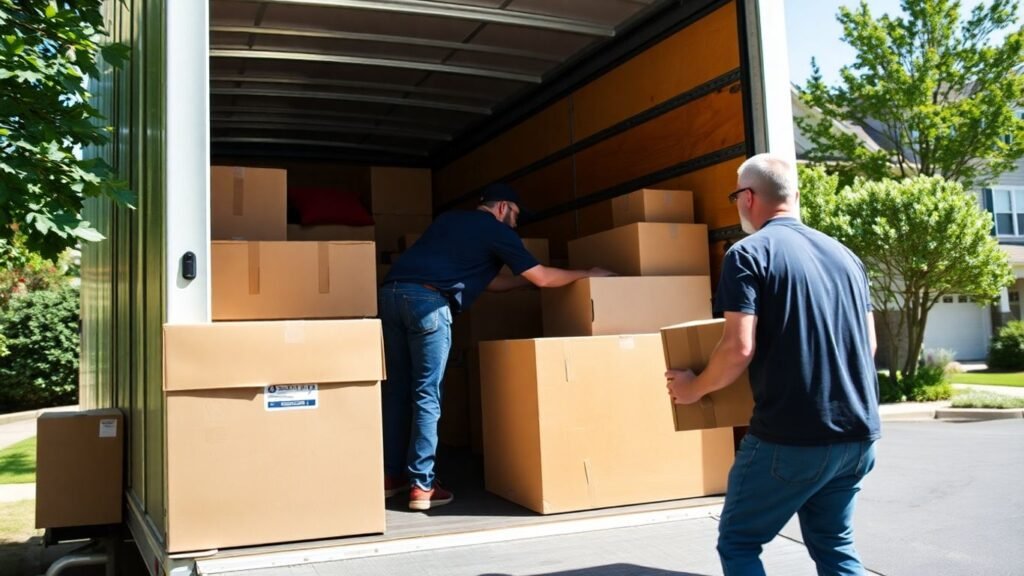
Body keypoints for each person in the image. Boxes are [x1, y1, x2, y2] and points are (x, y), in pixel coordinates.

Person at [666, 153, 880, 575]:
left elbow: (738, 348)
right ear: (795, 196)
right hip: (859, 435)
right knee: (835, 547)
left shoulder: (748, 254)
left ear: (747, 198)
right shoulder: (846, 256)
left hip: (792, 438)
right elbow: (869, 345)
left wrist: (693, 389)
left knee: (740, 542)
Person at [379, 182, 613, 511]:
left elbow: (492, 283)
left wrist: (522, 281)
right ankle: (422, 484)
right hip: (428, 305)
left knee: (399, 390)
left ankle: (391, 477)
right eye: (516, 215)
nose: (517, 224)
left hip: (391, 296)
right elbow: (543, 277)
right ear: (502, 207)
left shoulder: (449, 221)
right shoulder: (497, 231)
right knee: (426, 393)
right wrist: (587, 273)